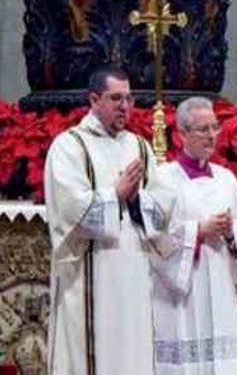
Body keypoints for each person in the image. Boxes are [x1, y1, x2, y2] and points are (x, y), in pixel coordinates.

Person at [45, 68, 183, 375]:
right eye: (116, 98)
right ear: (94, 100)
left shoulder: (140, 147)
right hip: (89, 273)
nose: (125, 106)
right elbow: (68, 211)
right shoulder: (70, 146)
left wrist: (135, 199)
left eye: (129, 98)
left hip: (133, 271)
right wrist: (115, 196)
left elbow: (162, 210)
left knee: (132, 352)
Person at [151, 96, 237, 375]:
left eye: (215, 127)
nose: (212, 135)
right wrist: (198, 231)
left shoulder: (225, 178)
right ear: (183, 134)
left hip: (220, 284)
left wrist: (231, 231)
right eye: (203, 129)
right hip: (182, 296)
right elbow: (153, 235)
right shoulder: (164, 179)